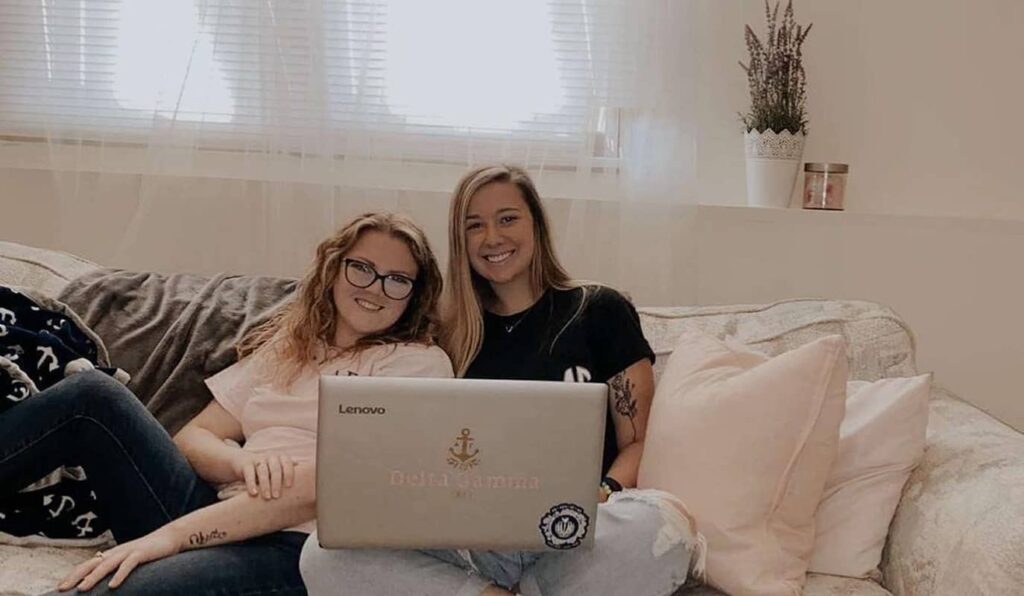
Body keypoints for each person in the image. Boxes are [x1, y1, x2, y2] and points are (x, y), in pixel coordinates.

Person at [299, 166, 704, 596]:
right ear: (461, 241)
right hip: (473, 538)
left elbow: (637, 441)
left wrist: (601, 493)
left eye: (507, 218)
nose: (492, 237)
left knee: (662, 525)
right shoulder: (446, 334)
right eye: (474, 225)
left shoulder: (599, 309)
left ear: (536, 224)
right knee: (323, 554)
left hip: (573, 529)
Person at [0, 212, 452, 595]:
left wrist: (169, 539)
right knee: (94, 396)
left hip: (294, 545)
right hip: (211, 507)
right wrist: (238, 463)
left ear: (415, 294)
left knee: (113, 587)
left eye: (397, 280)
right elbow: (195, 436)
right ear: (334, 269)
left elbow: (325, 489)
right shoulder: (288, 346)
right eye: (362, 268)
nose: (375, 288)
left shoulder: (416, 364)